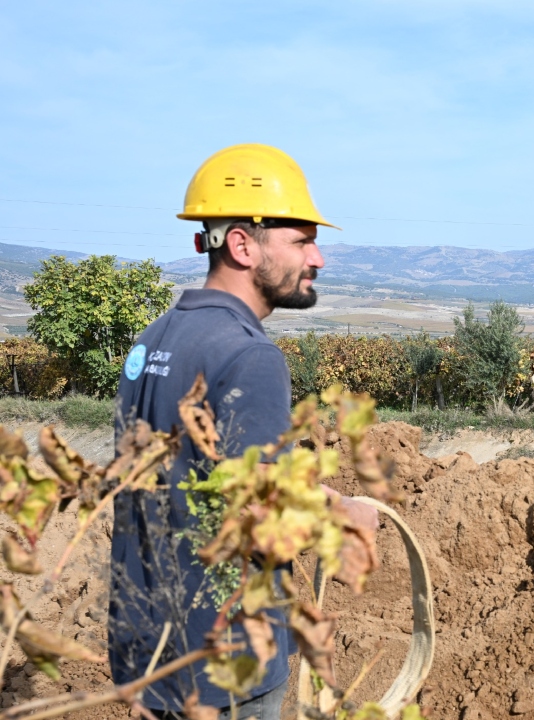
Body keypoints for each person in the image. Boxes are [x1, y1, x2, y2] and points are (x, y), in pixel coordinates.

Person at [110, 144, 374, 719]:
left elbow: (184, 485)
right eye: (302, 240)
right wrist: (343, 517)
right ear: (242, 244)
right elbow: (258, 525)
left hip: (146, 654)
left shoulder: (153, 339)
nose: (319, 257)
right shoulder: (251, 357)